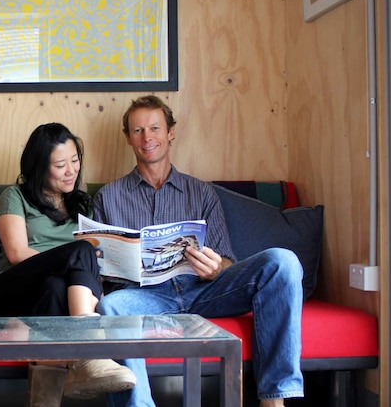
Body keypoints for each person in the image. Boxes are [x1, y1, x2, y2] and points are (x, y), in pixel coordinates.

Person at [94, 96, 304, 407]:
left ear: (171, 132)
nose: (147, 138)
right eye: (137, 131)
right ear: (127, 137)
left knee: (283, 261)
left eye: (154, 128)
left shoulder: (201, 192)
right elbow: (98, 267)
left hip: (204, 291)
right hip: (144, 297)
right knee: (110, 306)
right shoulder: (107, 197)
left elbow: (228, 259)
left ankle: (274, 399)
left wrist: (216, 268)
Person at [0, 123, 136, 401]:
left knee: (56, 287)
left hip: (52, 295)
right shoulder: (14, 196)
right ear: (39, 167)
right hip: (10, 291)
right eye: (60, 165)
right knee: (81, 250)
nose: (71, 171)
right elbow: (17, 253)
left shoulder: (84, 203)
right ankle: (89, 354)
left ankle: (44, 401)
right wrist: (71, 260)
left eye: (75, 160)